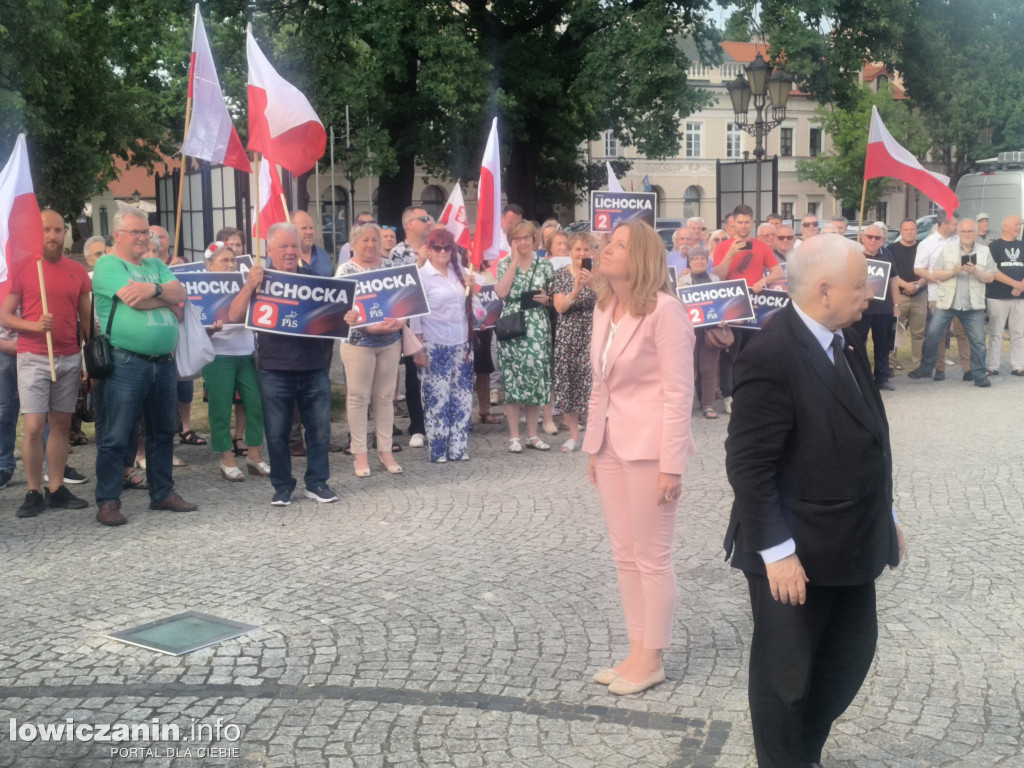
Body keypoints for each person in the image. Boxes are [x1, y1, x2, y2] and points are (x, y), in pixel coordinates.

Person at [724, 233, 905, 768]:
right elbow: (748, 466)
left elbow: (869, 434)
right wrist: (776, 552)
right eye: (859, 285)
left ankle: (804, 753)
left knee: (846, 661)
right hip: (796, 553)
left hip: (851, 540)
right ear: (823, 290)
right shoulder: (771, 354)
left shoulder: (843, 337)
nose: (869, 294)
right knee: (786, 682)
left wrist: (886, 513)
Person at [584, 219, 695, 696]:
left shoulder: (665, 312)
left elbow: (678, 391)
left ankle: (652, 658)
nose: (607, 249)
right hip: (610, 444)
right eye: (608, 243)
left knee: (651, 557)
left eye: (618, 245)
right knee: (624, 554)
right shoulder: (606, 307)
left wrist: (672, 462)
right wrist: (592, 445)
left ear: (642, 258)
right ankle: (636, 648)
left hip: (651, 449)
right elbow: (599, 384)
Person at [91, 207, 197, 525]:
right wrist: (166, 298)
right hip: (125, 361)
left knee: (163, 431)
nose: (143, 237)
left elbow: (182, 293)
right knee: (116, 434)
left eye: (145, 231)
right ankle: (108, 501)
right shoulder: (108, 264)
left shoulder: (154, 266)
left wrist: (153, 289)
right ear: (118, 236)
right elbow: (131, 300)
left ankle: (162, 492)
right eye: (136, 232)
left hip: (162, 363)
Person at [229, 222, 339, 505]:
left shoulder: (315, 278)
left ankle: (317, 482)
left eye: (294, 246)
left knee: (319, 430)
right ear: (269, 249)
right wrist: (250, 287)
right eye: (284, 246)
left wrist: (345, 319)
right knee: (277, 433)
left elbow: (335, 318)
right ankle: (282, 486)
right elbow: (234, 314)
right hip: (274, 368)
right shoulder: (259, 277)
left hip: (313, 366)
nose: (291, 252)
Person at [0, 209, 92, 517]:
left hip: (68, 356)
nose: (52, 236)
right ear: (36, 233)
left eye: (57, 230)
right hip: (33, 356)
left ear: (65, 234)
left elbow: (86, 317)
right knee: (35, 426)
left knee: (61, 425)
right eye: (46, 230)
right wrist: (34, 326)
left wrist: (88, 355)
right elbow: (5, 315)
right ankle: (33, 491)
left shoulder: (77, 271)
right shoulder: (26, 268)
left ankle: (55, 489)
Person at [337, 222, 405, 476]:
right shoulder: (345, 271)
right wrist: (360, 323)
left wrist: (400, 321)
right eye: (364, 240)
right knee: (358, 398)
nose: (370, 244)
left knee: (385, 398)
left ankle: (385, 451)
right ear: (353, 244)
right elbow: (341, 310)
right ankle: (360, 454)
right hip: (358, 343)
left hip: (389, 341)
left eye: (374, 240)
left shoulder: (390, 267)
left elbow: (405, 301)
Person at [201, 242, 269, 482]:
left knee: (255, 404)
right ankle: (226, 457)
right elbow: (196, 328)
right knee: (220, 408)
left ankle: (254, 454)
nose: (231, 265)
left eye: (233, 260)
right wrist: (209, 330)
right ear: (209, 265)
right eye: (224, 261)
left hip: (245, 351)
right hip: (218, 354)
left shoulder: (244, 281)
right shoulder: (201, 286)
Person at [411, 229, 478, 462]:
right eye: (437, 247)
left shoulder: (461, 272)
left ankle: (458, 448)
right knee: (436, 399)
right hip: (434, 344)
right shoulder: (421, 276)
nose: (442, 252)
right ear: (428, 250)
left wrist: (475, 289)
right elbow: (415, 318)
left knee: (462, 398)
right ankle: (438, 449)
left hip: (462, 344)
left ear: (452, 250)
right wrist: (417, 349)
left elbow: (480, 313)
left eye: (446, 247)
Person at [713, 205, 785, 413]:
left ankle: (750, 393)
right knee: (730, 352)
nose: (743, 226)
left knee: (753, 352)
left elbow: (778, 272)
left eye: (747, 222)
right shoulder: (723, 246)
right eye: (739, 222)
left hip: (755, 305)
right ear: (732, 223)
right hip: (731, 305)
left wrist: (764, 280)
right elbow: (718, 274)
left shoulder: (761, 247)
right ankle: (729, 395)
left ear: (752, 223)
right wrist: (730, 254)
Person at [909, 218, 996, 387]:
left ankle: (979, 375)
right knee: (933, 333)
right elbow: (936, 274)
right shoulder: (948, 250)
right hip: (947, 302)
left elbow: (991, 277)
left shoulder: (984, 251)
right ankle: (926, 368)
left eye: (970, 231)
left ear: (976, 232)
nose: (966, 234)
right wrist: (952, 271)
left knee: (978, 340)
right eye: (963, 231)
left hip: (972, 305)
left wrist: (976, 272)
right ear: (958, 232)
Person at [495, 220, 555, 452]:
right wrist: (513, 263)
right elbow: (501, 292)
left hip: (537, 326)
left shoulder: (545, 266)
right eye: (517, 239)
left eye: (526, 238)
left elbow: (552, 298)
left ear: (534, 239)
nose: (522, 242)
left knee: (535, 381)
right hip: (513, 326)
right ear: (511, 241)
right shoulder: (504, 263)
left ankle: (532, 435)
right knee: (513, 381)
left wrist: (546, 299)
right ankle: (513, 437)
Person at [386, 206, 434, 448]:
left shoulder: (437, 246)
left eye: (429, 218)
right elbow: (399, 289)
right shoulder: (398, 252)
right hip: (409, 322)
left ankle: (435, 421)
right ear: (409, 225)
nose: (429, 222)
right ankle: (417, 425)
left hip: (435, 321)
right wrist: (420, 263)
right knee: (414, 374)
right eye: (423, 218)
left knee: (436, 373)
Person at [551, 232, 596, 452]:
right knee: (568, 383)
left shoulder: (600, 274)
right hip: (568, 334)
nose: (582, 254)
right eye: (577, 249)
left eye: (586, 250)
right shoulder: (561, 275)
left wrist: (593, 283)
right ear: (570, 252)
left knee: (592, 383)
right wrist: (577, 288)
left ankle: (595, 434)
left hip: (593, 332)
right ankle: (573, 436)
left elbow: (610, 300)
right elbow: (560, 307)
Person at [914, 211, 970, 380]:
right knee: (939, 332)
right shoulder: (927, 244)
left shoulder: (960, 241)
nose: (957, 227)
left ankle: (968, 369)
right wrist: (935, 279)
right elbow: (918, 269)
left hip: (960, 292)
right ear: (944, 224)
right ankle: (940, 369)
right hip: (938, 294)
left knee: (963, 331)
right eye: (954, 224)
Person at [850, 223, 898, 390]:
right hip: (860, 308)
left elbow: (894, 281)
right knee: (857, 344)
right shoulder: (855, 255)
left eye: (877, 238)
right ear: (863, 238)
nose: (873, 240)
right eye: (869, 237)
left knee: (882, 345)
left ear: (882, 240)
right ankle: (858, 377)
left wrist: (896, 305)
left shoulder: (887, 255)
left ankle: (882, 378)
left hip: (883, 309)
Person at [679, 248, 723, 418]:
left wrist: (723, 317)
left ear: (707, 261)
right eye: (695, 258)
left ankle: (708, 405)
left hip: (711, 330)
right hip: (689, 331)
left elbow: (721, 304)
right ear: (689, 262)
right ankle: (688, 404)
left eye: (702, 258)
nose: (699, 261)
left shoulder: (716, 280)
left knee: (709, 368)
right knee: (689, 368)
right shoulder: (682, 281)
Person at [985, 215, 1024, 375]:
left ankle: (1019, 366)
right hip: (997, 296)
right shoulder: (993, 246)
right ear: (1005, 226)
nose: (1019, 227)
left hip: (1020, 297)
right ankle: (993, 366)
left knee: (1019, 333)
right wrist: (1014, 284)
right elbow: (993, 271)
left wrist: (1021, 286)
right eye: (1016, 224)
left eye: (1020, 225)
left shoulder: (1022, 245)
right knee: (996, 333)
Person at [889, 219, 927, 371]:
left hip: (920, 295)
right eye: (906, 229)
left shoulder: (923, 247)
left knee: (918, 334)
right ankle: (890, 364)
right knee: (894, 331)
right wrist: (906, 285)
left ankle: (918, 365)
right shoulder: (892, 249)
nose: (909, 232)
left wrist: (917, 285)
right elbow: (891, 273)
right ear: (901, 231)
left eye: (912, 229)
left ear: (916, 231)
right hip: (899, 296)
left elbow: (929, 270)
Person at [0, 284, 17, 491]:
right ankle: (3, 465)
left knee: (47, 414)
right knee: (5, 410)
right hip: (4, 350)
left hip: (37, 349)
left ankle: (55, 468)